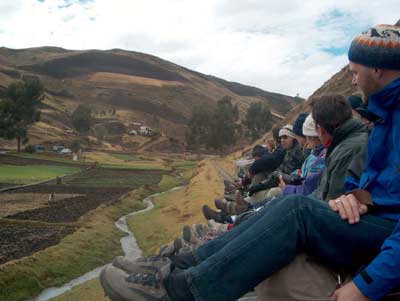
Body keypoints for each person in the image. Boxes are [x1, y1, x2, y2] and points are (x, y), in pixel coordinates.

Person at [100, 24, 400, 301]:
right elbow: (375, 184)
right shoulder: (384, 117)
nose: (352, 78)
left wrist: (366, 285)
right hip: (377, 221)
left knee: (296, 209)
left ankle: (187, 292)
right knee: (288, 207)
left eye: (355, 70)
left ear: (376, 67)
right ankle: (181, 267)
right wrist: (355, 197)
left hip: (388, 231)